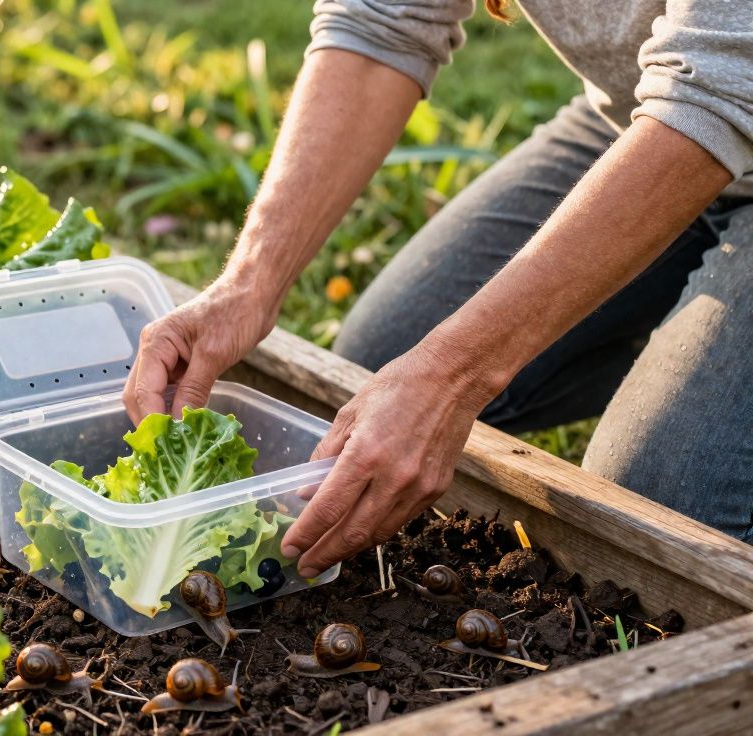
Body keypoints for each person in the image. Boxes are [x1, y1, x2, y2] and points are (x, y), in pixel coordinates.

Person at [122, 0, 753, 581]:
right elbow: (382, 20)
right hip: (647, 113)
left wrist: (453, 373)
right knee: (374, 367)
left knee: (664, 510)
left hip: (709, 104)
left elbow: (722, 83)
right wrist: (247, 282)